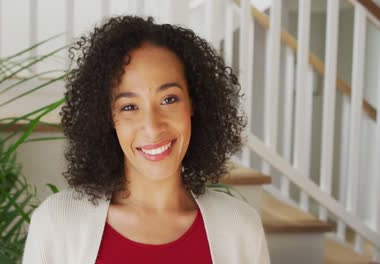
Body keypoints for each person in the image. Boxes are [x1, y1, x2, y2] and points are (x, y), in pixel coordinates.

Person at [22, 15, 271, 264]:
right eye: (129, 107)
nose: (152, 127)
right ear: (107, 117)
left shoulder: (241, 228)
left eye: (168, 100)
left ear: (194, 103)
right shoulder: (57, 223)